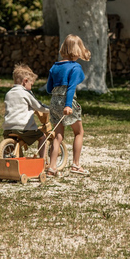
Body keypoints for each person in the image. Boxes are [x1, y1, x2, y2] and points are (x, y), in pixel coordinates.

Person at [46, 34, 91, 176]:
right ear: (77, 50)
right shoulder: (75, 67)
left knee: (58, 136)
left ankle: (52, 167)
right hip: (67, 102)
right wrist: (67, 105)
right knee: (79, 132)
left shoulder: (54, 67)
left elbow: (48, 89)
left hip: (54, 102)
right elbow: (71, 88)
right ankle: (76, 165)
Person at [3, 64, 50, 156]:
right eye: (31, 84)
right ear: (25, 81)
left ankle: (2, 160)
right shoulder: (26, 93)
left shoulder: (8, 93)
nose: (31, 87)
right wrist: (50, 109)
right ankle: (43, 160)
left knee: (11, 146)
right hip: (23, 128)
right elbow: (38, 106)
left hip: (8, 128)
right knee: (42, 137)